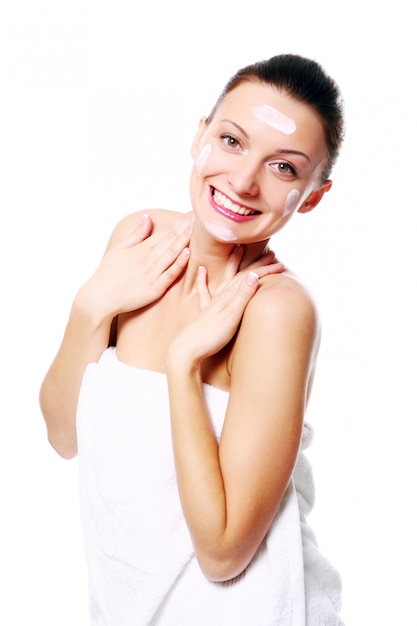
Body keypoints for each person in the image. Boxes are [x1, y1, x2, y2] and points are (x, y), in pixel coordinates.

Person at [40, 54, 345, 625]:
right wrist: (90, 306)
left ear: (312, 195)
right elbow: (63, 436)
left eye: (283, 168)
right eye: (231, 140)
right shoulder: (140, 239)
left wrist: (184, 364)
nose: (243, 180)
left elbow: (224, 551)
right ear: (198, 134)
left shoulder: (276, 310)